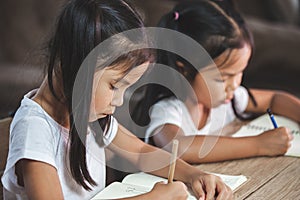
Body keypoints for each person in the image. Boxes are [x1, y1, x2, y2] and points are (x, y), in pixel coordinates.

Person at [1, 0, 233, 199]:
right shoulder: (34, 129)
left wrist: (195, 176)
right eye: (114, 86)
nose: (119, 101)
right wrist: (153, 197)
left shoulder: (86, 113)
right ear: (77, 66)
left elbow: (142, 153)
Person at [134, 0, 300, 164]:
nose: (234, 84)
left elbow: (274, 99)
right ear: (185, 69)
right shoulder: (168, 110)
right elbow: (179, 148)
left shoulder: (230, 99)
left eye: (239, 72)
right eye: (224, 77)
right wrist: (259, 145)